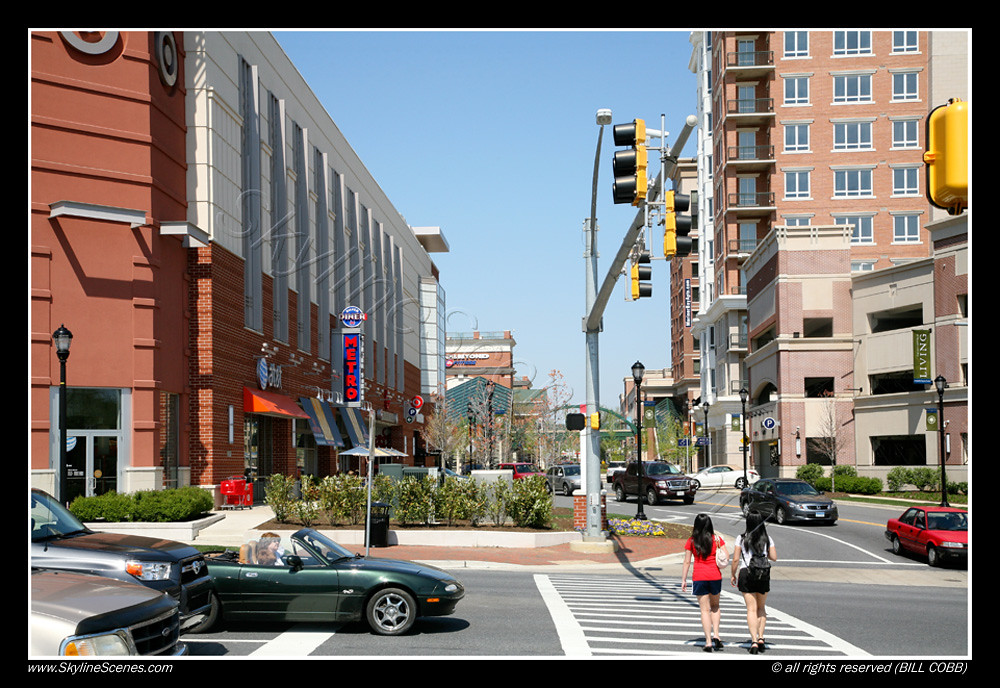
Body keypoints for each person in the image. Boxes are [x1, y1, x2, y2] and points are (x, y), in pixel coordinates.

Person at [730, 510, 778, 654]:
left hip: (746, 572)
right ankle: (762, 637)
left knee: (751, 609)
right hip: (763, 573)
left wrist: (733, 574)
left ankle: (754, 641)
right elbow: (774, 557)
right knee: (761, 608)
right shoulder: (767, 538)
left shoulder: (741, 538)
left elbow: (736, 559)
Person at [681, 514, 728, 652]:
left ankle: (708, 641)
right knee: (715, 606)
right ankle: (717, 635)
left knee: (704, 610)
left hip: (699, 577)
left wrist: (684, 579)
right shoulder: (717, 540)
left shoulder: (691, 541)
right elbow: (725, 556)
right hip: (715, 576)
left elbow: (687, 562)